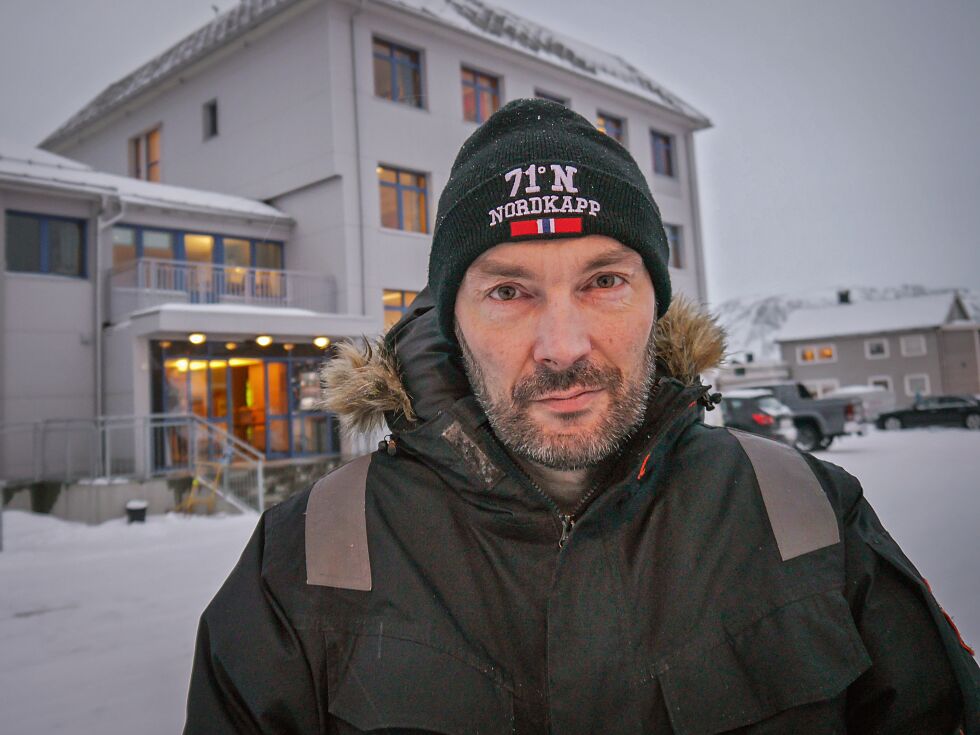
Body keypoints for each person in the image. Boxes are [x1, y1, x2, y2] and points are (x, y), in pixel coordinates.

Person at [184, 99, 979, 734]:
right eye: (508, 290)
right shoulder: (310, 554)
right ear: (449, 318)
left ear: (656, 302)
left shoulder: (808, 513)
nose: (562, 348)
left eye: (603, 281)